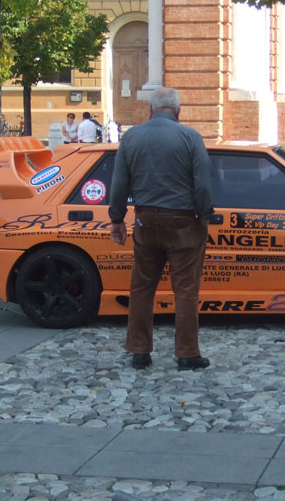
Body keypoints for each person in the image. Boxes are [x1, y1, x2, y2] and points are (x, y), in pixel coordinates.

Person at [109, 87, 212, 371]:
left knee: (141, 288)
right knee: (186, 290)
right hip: (182, 222)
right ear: (178, 111)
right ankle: (187, 354)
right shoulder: (190, 137)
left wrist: (117, 219)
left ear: (149, 110)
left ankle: (140, 351)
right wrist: (203, 217)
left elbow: (119, 183)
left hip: (144, 221)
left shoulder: (131, 137)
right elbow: (202, 184)